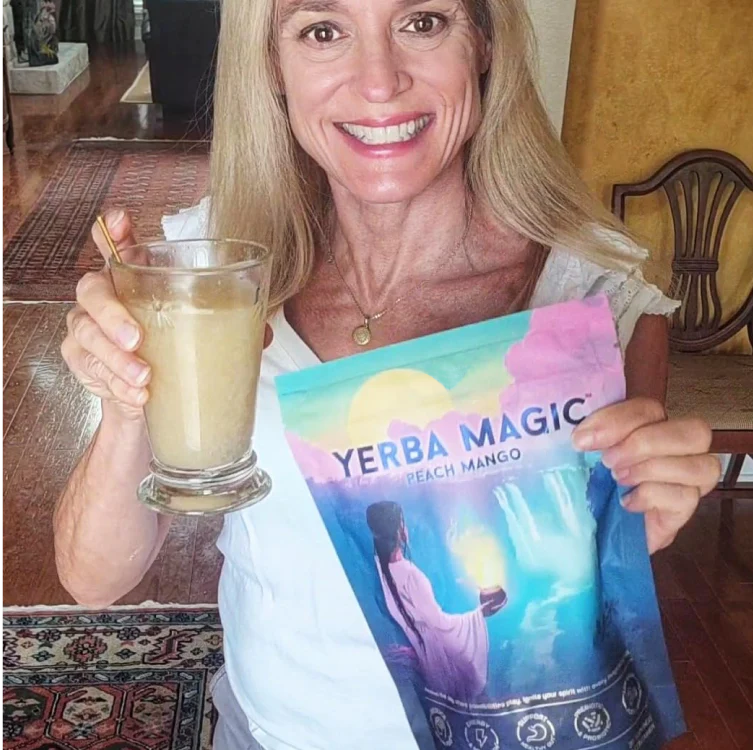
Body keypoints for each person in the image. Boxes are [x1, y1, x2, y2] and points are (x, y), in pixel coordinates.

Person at [55, 1, 721, 748]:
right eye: (322, 31)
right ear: (272, 64)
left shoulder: (596, 297)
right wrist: (124, 396)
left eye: (423, 21)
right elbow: (93, 578)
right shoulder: (209, 271)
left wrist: (637, 522)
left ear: (484, 43)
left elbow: (582, 585)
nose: (378, 82)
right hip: (264, 730)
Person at [366, 501, 505, 703]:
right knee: (470, 693)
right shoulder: (411, 575)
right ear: (398, 531)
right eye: (402, 522)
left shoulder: (381, 566)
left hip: (422, 650)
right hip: (438, 655)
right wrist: (478, 615)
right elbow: (439, 623)